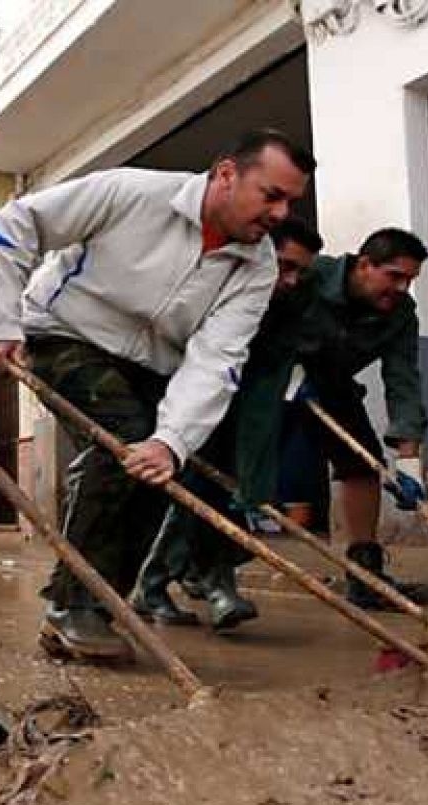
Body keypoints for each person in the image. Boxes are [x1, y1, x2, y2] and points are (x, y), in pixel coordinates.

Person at [0, 130, 315, 660]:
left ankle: (102, 603)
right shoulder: (131, 192)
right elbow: (17, 224)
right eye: (271, 195)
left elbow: (218, 358)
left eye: (291, 201)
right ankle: (73, 608)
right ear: (225, 174)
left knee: (156, 465)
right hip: (66, 333)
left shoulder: (259, 264)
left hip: (156, 364)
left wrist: (172, 441)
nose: (279, 213)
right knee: (124, 439)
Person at [141, 225, 428, 620]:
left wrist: (409, 462)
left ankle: (365, 571)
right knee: (232, 475)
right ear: (364, 265)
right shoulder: (309, 276)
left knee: (361, 466)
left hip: (333, 386)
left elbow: (403, 379)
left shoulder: (399, 313)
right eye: (393, 276)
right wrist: (282, 373)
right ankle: (173, 573)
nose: (400, 288)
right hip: (270, 379)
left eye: (409, 281)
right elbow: (256, 325)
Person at [131, 216, 323, 629]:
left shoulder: (289, 304)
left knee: (223, 494)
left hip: (242, 407)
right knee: (195, 493)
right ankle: (191, 585)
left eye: (300, 272)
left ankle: (178, 582)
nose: (290, 280)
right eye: (285, 266)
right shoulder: (211, 284)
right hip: (186, 402)